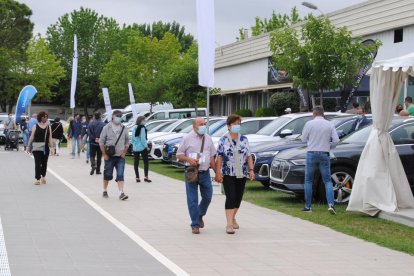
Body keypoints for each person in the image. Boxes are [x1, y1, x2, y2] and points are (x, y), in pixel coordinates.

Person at [215, 114, 255, 234]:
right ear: (228, 126)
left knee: (238, 198)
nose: (237, 126)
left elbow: (248, 156)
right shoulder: (223, 140)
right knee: (231, 196)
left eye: (239, 124)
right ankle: (229, 225)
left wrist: (251, 170)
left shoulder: (244, 139)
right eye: (234, 124)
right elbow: (220, 157)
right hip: (228, 173)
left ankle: (233, 217)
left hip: (241, 173)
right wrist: (218, 172)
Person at [177, 117, 216, 234]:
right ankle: (195, 224)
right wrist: (189, 159)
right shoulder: (187, 138)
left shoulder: (208, 139)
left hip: (205, 172)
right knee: (192, 199)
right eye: (201, 124)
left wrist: (217, 172)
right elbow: (179, 154)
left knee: (208, 196)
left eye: (205, 124)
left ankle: (199, 214)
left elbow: (212, 157)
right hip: (191, 171)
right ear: (194, 126)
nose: (203, 126)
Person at [301, 106, 339, 214]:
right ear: (323, 114)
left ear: (314, 113)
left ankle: (308, 206)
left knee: (308, 180)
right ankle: (331, 205)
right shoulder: (329, 124)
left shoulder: (309, 124)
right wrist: (328, 146)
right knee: (327, 180)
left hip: (311, 153)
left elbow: (303, 138)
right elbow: (336, 140)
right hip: (324, 153)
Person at [99, 110, 130, 200]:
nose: (118, 118)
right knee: (107, 174)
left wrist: (124, 152)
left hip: (120, 156)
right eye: (117, 116)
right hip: (109, 156)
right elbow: (101, 141)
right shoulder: (106, 127)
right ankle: (104, 190)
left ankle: (121, 193)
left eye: (120, 116)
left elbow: (127, 141)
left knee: (120, 174)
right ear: (113, 116)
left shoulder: (124, 128)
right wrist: (104, 154)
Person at [26, 111, 54, 185]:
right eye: (44, 117)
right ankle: (37, 179)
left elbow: (50, 138)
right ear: (40, 118)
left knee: (44, 163)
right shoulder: (35, 126)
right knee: (37, 163)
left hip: (45, 148)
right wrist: (28, 146)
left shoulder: (49, 127)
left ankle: (43, 177)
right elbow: (32, 137)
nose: (45, 118)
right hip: (37, 147)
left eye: (46, 117)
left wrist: (52, 148)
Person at [131, 116, 151, 183]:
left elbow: (132, 138)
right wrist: (146, 147)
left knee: (136, 162)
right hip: (142, 147)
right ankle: (146, 177)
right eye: (144, 120)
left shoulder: (134, 127)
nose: (145, 121)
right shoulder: (142, 128)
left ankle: (137, 177)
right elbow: (143, 139)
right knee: (145, 162)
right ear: (141, 120)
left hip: (135, 147)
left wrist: (134, 144)